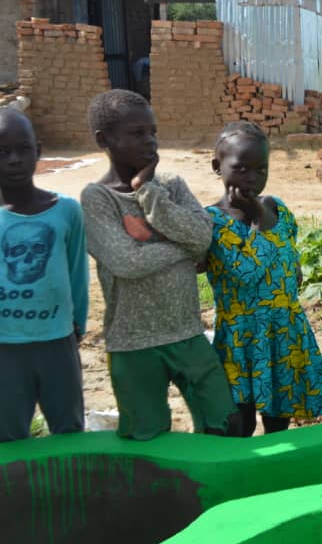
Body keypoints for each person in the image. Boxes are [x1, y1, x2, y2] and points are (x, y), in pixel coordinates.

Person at [81, 89, 237, 439]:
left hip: (187, 334)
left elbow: (202, 236)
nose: (150, 141)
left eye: (153, 132)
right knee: (146, 434)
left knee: (226, 423)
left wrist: (148, 191)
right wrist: (183, 250)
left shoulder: (170, 185)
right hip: (132, 344)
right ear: (103, 140)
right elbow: (126, 262)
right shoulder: (97, 198)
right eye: (137, 133)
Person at [203, 121, 322, 436]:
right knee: (240, 421)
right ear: (217, 167)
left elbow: (292, 266)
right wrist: (256, 219)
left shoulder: (277, 209)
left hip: (283, 330)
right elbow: (246, 273)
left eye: (261, 170)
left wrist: (261, 215)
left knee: (279, 414)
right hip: (243, 335)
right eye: (241, 168)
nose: (252, 178)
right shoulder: (214, 221)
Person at [0, 110, 89, 442]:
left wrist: (77, 324)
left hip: (57, 343)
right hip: (5, 349)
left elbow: (77, 271)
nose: (13, 160)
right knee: (8, 438)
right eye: (2, 152)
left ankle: (68, 495)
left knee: (69, 433)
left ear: (38, 150)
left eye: (23, 149)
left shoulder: (65, 210)